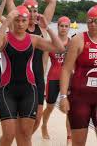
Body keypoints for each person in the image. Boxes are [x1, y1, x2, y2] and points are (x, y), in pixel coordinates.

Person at [0, 6, 64, 146]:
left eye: (24, 20)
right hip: (7, 90)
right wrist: (5, 22)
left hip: (29, 91)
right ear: (13, 21)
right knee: (8, 135)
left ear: (28, 21)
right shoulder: (5, 38)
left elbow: (60, 48)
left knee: (25, 135)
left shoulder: (34, 39)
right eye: (17, 20)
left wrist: (47, 28)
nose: (20, 24)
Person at [6, 0, 57, 134]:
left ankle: (24, 138)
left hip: (38, 78)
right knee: (21, 118)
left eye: (36, 10)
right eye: (30, 11)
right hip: (20, 78)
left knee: (38, 117)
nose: (34, 14)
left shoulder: (41, 27)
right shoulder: (17, 27)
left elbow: (53, 1)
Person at [60, 5, 97, 146]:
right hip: (80, 98)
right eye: (89, 21)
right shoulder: (79, 40)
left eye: (96, 21)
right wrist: (63, 96)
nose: (92, 24)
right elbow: (66, 69)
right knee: (79, 142)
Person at [40, 16, 72, 144]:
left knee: (69, 109)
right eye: (61, 26)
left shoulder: (72, 43)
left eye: (66, 26)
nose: (63, 28)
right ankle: (44, 125)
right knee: (50, 107)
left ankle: (69, 137)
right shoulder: (50, 43)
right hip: (53, 78)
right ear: (57, 27)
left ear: (69, 28)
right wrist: (41, 81)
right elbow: (44, 63)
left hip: (68, 80)